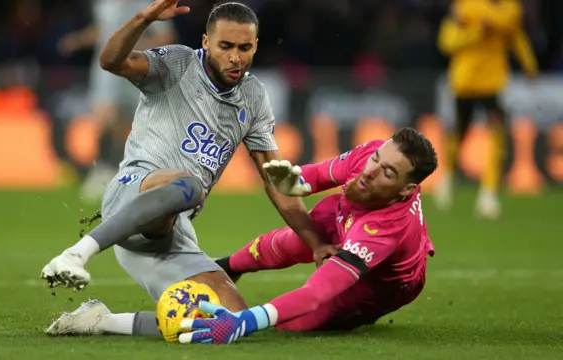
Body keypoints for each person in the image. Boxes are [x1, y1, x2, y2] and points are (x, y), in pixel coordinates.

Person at [40, 0, 336, 337]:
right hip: (131, 193)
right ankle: (77, 253)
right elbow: (110, 61)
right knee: (190, 186)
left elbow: (276, 180)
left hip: (172, 233)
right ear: (207, 42)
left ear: (255, 45)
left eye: (244, 47)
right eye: (225, 46)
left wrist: (314, 243)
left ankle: (100, 321)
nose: (235, 57)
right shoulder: (177, 64)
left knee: (231, 321)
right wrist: (143, 19)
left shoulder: (253, 97)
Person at [178, 128, 438, 344]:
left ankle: (363, 313)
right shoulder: (372, 155)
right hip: (350, 213)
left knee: (293, 324)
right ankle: (226, 266)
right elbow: (319, 175)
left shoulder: (385, 230)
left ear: (407, 189)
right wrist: (295, 181)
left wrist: (245, 321)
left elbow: (317, 291)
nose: (370, 170)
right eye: (376, 159)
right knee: (290, 241)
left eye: (388, 173)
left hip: (382, 285)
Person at [58, 0, 178, 201]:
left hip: (132, 72)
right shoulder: (103, 4)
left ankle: (126, 173)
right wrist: (78, 40)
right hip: (104, 73)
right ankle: (102, 171)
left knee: (128, 126)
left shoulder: (146, 4)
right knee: (103, 118)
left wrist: (134, 50)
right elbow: (104, 31)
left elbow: (166, 36)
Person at [435, 0, 538, 219]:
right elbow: (447, 41)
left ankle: (488, 194)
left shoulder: (512, 9)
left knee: (497, 135)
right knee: (460, 135)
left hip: (494, 83)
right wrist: (477, 33)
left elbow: (516, 37)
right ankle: (447, 177)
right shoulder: (465, 7)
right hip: (466, 82)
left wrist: (529, 63)